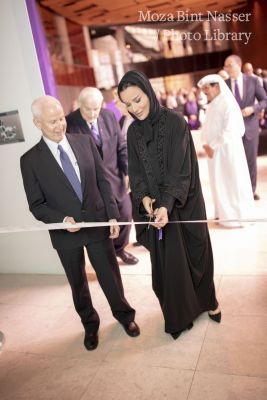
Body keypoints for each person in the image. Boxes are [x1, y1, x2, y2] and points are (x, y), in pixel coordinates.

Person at [20, 96, 140, 351]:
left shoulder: (84, 142)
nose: (59, 125)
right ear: (36, 123)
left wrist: (111, 215)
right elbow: (36, 204)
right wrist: (61, 220)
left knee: (110, 276)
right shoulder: (29, 161)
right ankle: (90, 324)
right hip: (66, 234)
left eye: (61, 118)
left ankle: (125, 316)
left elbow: (103, 182)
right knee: (78, 283)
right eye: (52, 121)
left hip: (97, 223)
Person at [117, 71, 220, 339]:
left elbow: (180, 169)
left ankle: (208, 301)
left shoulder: (175, 121)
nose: (134, 108)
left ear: (148, 92)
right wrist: (145, 200)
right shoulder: (133, 132)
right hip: (155, 211)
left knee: (196, 255)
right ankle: (180, 314)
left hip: (184, 203)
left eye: (137, 100)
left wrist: (166, 204)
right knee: (169, 264)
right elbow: (136, 172)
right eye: (127, 104)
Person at [65, 87, 138, 265]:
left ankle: (120, 249)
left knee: (125, 214)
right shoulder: (70, 122)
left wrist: (127, 171)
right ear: (79, 105)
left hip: (115, 177)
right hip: (91, 183)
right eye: (87, 109)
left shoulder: (108, 116)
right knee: (101, 222)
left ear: (102, 105)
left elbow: (120, 145)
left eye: (95, 108)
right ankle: (108, 255)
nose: (92, 113)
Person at [198, 74, 254, 228]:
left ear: (216, 86)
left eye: (207, 89)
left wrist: (213, 145)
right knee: (219, 183)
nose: (205, 93)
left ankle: (237, 216)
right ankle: (224, 215)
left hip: (227, 150)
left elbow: (230, 129)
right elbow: (207, 127)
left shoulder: (228, 102)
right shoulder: (212, 104)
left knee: (232, 181)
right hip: (214, 152)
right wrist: (205, 144)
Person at [224, 55, 267, 200]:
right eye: (225, 66)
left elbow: (264, 100)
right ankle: (239, 191)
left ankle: (251, 190)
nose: (227, 69)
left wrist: (253, 109)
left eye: (229, 65)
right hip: (231, 130)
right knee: (234, 161)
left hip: (250, 127)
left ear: (238, 65)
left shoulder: (253, 81)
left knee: (250, 161)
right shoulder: (224, 85)